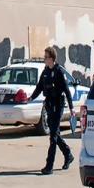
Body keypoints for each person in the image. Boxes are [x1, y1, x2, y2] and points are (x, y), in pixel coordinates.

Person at [29, 47, 75, 175]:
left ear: (52, 59)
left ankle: (49, 166)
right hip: (49, 105)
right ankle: (68, 154)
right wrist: (31, 98)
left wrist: (71, 108)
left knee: (53, 137)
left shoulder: (59, 72)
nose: (44, 59)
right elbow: (39, 87)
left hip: (58, 106)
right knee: (55, 135)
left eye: (46, 57)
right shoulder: (45, 72)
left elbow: (66, 90)